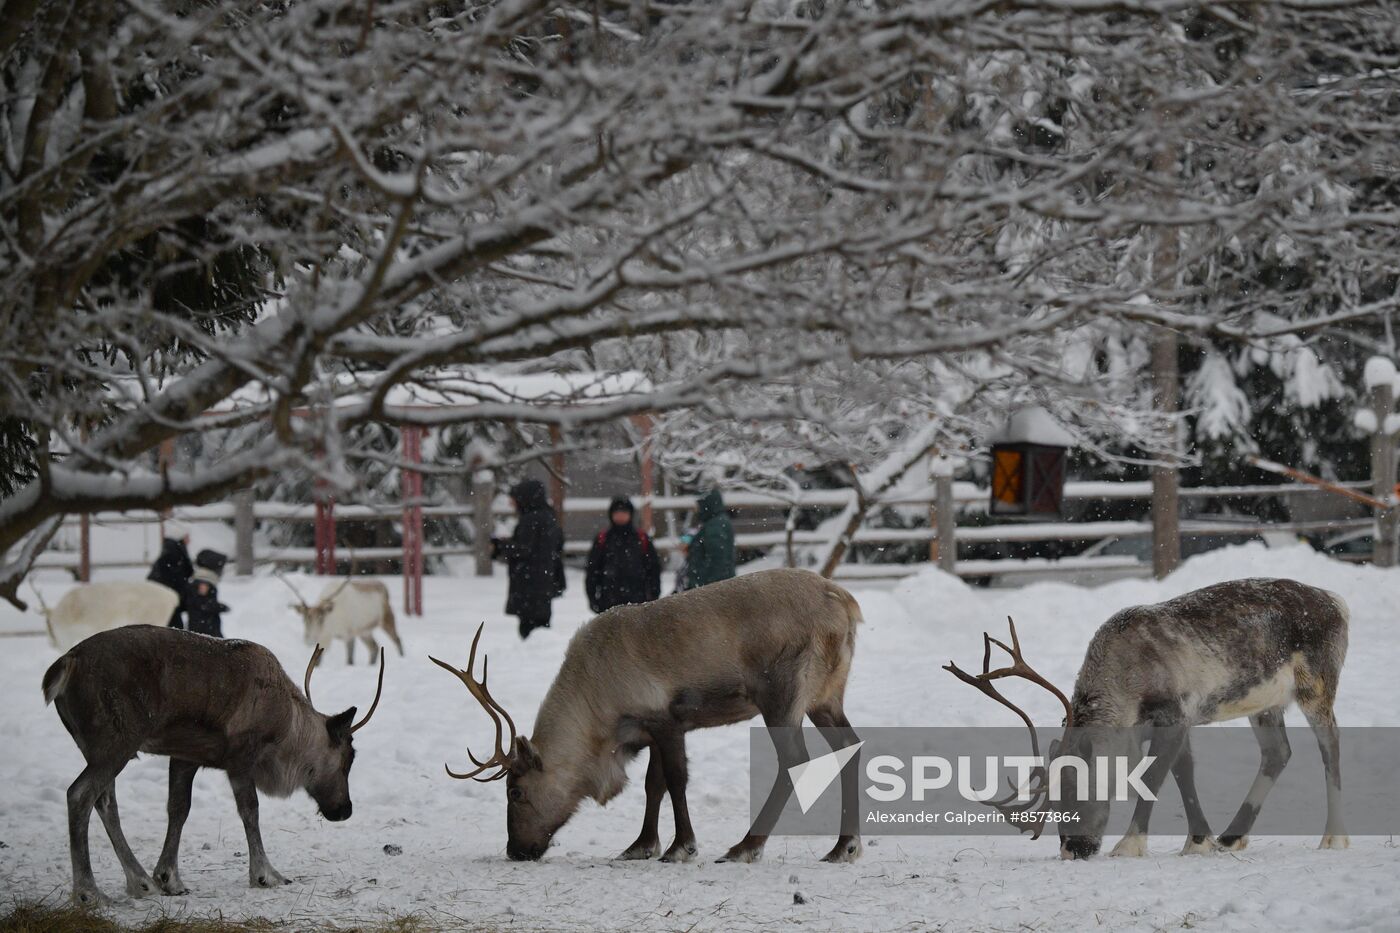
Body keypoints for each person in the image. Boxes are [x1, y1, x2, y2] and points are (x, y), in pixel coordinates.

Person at [492, 479, 566, 639]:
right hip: (544, 581)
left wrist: (500, 546)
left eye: (515, 499)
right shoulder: (548, 516)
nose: (512, 504)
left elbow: (523, 549)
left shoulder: (531, 519)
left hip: (530, 584)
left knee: (529, 629)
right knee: (541, 628)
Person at [585, 496, 661, 613]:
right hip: (609, 602)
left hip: (638, 603)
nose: (620, 516)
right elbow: (592, 571)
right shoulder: (602, 539)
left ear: (630, 514)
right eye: (617, 512)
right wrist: (592, 598)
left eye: (624, 512)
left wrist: (654, 595)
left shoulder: (642, 538)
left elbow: (654, 569)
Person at [685, 489, 736, 590]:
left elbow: (717, 560)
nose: (696, 509)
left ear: (707, 505)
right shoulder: (716, 522)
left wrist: (704, 584)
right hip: (716, 585)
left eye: (699, 505)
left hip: (711, 588)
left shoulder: (715, 526)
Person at [147, 520, 193, 628]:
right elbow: (175, 578)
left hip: (169, 598)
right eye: (187, 535)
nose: (190, 539)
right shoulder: (174, 552)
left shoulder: (173, 549)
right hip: (169, 599)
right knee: (174, 629)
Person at [184, 549, 230, 637]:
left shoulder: (204, 580)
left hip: (203, 627)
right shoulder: (203, 582)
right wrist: (220, 607)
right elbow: (201, 603)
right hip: (203, 629)